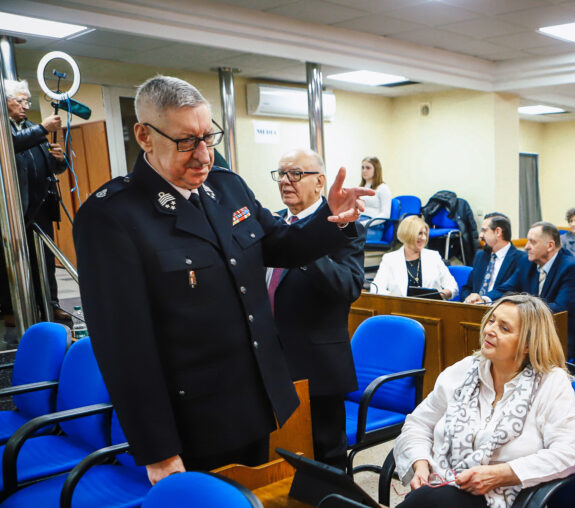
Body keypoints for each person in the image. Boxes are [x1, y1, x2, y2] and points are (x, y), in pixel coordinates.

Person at [73, 76, 371, 484]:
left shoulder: (226, 188)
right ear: (144, 136)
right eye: (185, 142)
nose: (203, 155)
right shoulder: (113, 216)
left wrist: (329, 220)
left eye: (208, 137)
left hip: (257, 401)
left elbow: (280, 246)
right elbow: (123, 347)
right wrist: (158, 449)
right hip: (195, 418)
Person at [393, 295, 575, 508]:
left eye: (504, 328)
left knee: (427, 507)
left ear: (528, 344)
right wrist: (420, 464)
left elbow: (571, 453)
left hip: (507, 503)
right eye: (491, 320)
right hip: (442, 486)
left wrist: (499, 475)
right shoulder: (464, 371)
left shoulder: (551, 383)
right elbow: (418, 423)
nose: (490, 329)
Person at [270, 148, 365, 466]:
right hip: (271, 362)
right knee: (278, 453)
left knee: (327, 458)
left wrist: (305, 246)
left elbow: (349, 285)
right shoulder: (272, 225)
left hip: (318, 365)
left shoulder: (346, 225)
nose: (285, 181)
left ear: (320, 182)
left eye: (295, 173)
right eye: (281, 174)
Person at [4, 79, 70, 325]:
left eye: (27, 101)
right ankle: (9, 308)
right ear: (4, 101)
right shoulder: (5, 130)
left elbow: (51, 169)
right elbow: (11, 145)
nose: (24, 105)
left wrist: (59, 159)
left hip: (40, 204)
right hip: (12, 208)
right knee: (11, 261)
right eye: (19, 100)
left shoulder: (33, 129)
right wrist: (42, 128)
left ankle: (49, 304)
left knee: (45, 258)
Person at [522, 221, 575, 361]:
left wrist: (519, 311)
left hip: (557, 338)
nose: (526, 247)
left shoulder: (571, 268)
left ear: (550, 245)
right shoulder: (528, 262)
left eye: (532, 242)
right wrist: (484, 299)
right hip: (530, 331)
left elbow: (559, 310)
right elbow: (508, 288)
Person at [372, 215, 458, 299]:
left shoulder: (433, 256)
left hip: (430, 308)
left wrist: (442, 294)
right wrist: (393, 298)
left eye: (425, 233)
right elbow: (376, 288)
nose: (424, 238)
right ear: (407, 234)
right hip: (399, 309)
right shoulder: (390, 259)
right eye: (419, 233)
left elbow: (453, 286)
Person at [463, 213, 527, 304]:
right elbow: (468, 287)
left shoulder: (522, 259)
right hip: (473, 311)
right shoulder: (480, 256)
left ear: (498, 232)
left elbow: (513, 292)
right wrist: (468, 300)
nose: (480, 235)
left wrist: (484, 300)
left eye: (484, 231)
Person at [358, 156, 392, 220]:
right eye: (362, 168)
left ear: (376, 170)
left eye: (368, 168)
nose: (364, 170)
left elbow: (385, 214)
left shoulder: (383, 188)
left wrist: (365, 224)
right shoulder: (361, 188)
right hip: (359, 220)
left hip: (372, 224)